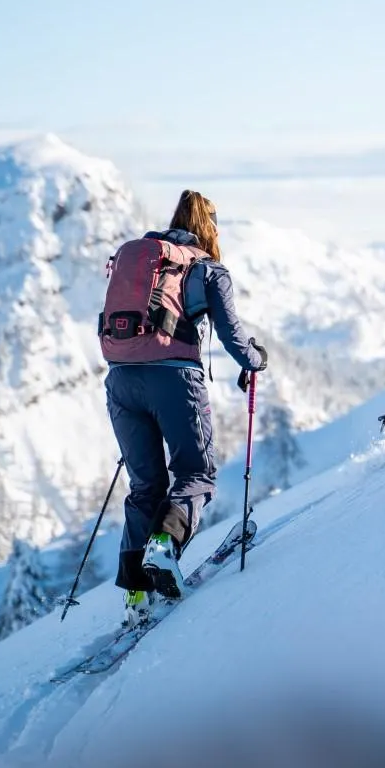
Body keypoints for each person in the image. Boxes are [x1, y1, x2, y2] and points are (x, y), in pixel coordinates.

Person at [97, 189, 267, 624]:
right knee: (195, 473)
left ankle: (135, 594)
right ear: (210, 229)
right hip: (173, 380)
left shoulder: (144, 260)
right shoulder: (207, 268)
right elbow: (233, 336)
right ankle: (164, 547)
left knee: (145, 486)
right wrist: (255, 360)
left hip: (120, 378)